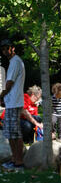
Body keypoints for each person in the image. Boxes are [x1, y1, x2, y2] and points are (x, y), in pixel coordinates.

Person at [0, 39, 25, 171]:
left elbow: (9, 83)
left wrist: (1, 95)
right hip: (11, 103)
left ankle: (19, 162)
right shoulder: (13, 62)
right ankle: (14, 159)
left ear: (12, 48)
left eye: (6, 48)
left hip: (14, 103)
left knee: (15, 133)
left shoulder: (15, 61)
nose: (4, 51)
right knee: (10, 133)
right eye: (3, 49)